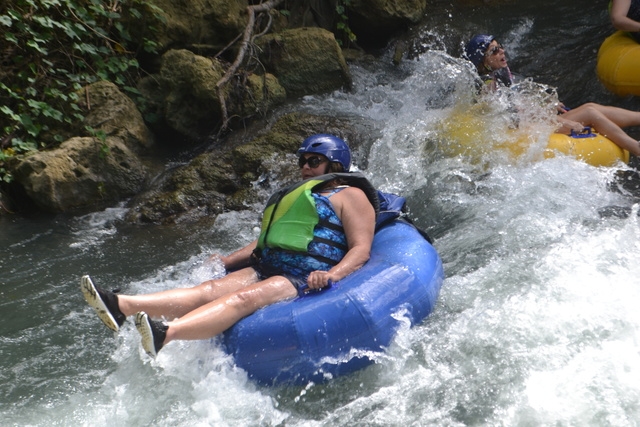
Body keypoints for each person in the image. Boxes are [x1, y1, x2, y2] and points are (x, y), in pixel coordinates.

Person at [81, 134, 378, 358]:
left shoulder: (350, 195)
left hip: (300, 276)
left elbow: (361, 248)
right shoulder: (296, 197)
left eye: (314, 161)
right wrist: (227, 260)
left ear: (335, 165)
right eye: (302, 161)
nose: (305, 167)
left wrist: (332, 275)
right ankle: (122, 306)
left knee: (242, 299)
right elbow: (266, 242)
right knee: (208, 290)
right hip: (267, 265)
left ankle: (166, 334)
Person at [464, 34, 640, 156]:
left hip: (529, 123)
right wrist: (562, 121)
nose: (502, 51)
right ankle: (636, 148)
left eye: (500, 46)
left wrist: (546, 104)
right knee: (590, 113)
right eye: (494, 50)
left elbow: (519, 98)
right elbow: (511, 118)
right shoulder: (489, 85)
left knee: (590, 106)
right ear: (483, 61)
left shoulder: (500, 73)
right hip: (521, 132)